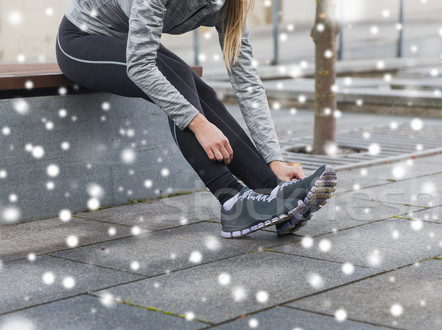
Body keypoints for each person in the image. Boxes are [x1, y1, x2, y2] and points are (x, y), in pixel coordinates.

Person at [55, 0, 337, 238]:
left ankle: (274, 191)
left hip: (125, 40)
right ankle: (233, 203)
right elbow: (141, 67)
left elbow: (247, 82)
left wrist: (275, 160)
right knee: (174, 77)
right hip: (81, 39)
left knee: (194, 85)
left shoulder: (229, 4)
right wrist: (199, 124)